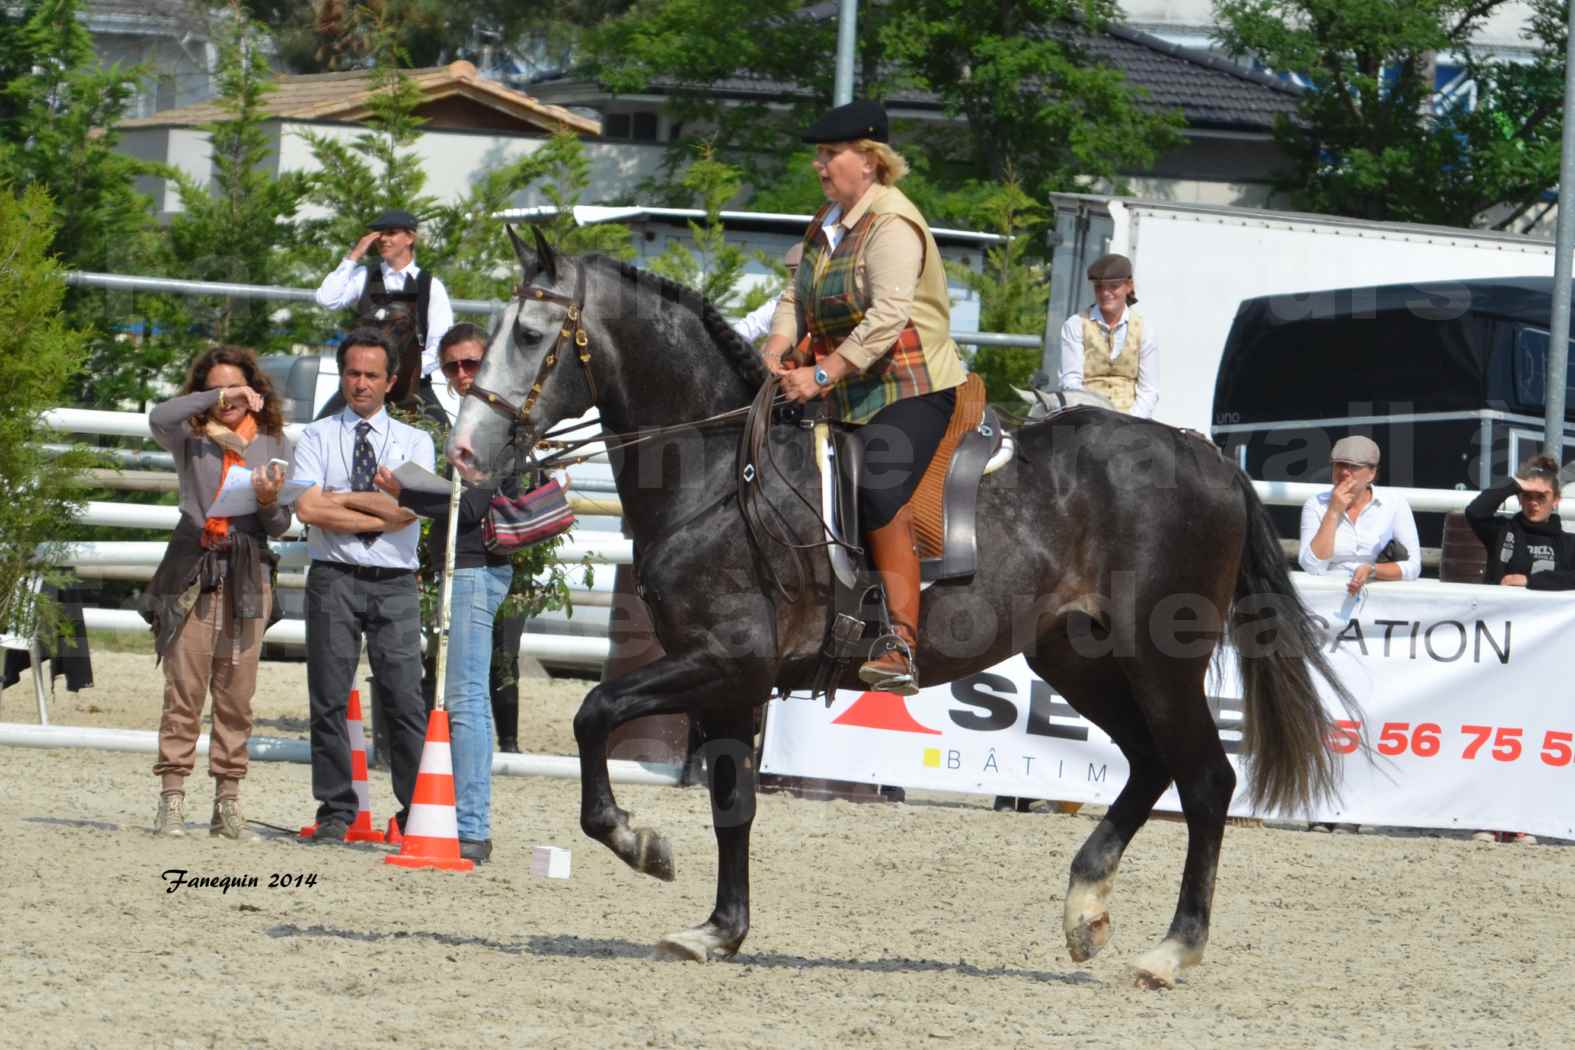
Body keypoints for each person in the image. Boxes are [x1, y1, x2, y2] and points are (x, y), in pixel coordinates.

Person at [760, 99, 968, 696]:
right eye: (821, 156)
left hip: (912, 389)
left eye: (831, 156)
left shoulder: (894, 225)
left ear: (870, 163)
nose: (820, 167)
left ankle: (901, 643)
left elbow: (886, 320)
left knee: (878, 483)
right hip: (847, 386)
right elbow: (795, 295)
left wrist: (820, 376)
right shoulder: (828, 218)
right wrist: (779, 345)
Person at [373, 323, 516, 864]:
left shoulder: (491, 424)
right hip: (465, 565)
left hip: (477, 566)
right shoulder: (470, 419)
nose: (461, 375)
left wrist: (405, 491)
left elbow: (474, 507)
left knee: (464, 700)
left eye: (471, 364)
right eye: (453, 365)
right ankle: (460, 818)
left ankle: (473, 825)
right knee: (459, 696)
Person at [291, 327, 435, 844]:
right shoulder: (316, 435)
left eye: (372, 374)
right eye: (353, 372)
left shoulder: (417, 441)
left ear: (390, 381)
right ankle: (335, 809)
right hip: (333, 577)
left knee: (403, 695)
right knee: (328, 694)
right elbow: (307, 508)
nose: (361, 383)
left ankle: (417, 809)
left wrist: (339, 502)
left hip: (394, 581)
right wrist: (375, 509)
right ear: (342, 374)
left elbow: (410, 509)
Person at [142, 346, 291, 839]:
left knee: (237, 691)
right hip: (196, 564)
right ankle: (172, 797)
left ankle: (227, 799)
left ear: (255, 391)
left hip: (248, 565)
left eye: (236, 388)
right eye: (217, 389)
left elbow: (281, 521)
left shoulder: (272, 441)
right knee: (184, 685)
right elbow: (158, 415)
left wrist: (269, 502)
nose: (228, 399)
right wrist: (214, 394)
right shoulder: (189, 436)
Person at [1461, 455, 1573, 846]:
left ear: (1556, 500)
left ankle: (1521, 820)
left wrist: (1529, 582)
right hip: (1496, 649)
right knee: (1490, 733)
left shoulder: (1568, 543)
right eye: (1527, 496)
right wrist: (1516, 480)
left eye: (1541, 496)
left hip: (1544, 656)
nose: (1533, 502)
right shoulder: (1502, 531)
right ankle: (1486, 817)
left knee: (1532, 734)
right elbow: (1474, 510)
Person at [315, 208, 455, 409]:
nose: (382, 239)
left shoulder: (431, 285)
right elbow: (327, 299)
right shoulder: (364, 274)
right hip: (361, 385)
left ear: (410, 238)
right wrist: (354, 256)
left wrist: (402, 373)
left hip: (411, 387)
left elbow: (440, 342)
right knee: (317, 432)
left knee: (442, 436)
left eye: (391, 233)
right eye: (379, 234)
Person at [1298, 435, 1422, 594]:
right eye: (1339, 465)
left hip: (1380, 592)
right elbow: (1313, 567)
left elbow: (1413, 566)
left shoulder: (1395, 503)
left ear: (1372, 473)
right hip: (1328, 594)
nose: (1344, 472)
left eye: (1353, 466)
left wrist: (1372, 570)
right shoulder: (1315, 504)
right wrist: (1333, 512)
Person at [1057, 253, 1159, 418]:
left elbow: (1149, 389)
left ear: (1129, 286)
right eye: (1099, 287)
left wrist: (1130, 421)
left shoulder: (1144, 329)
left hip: (1132, 419)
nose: (1105, 293)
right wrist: (1091, 415)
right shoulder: (1075, 324)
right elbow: (1070, 381)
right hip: (1087, 417)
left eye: (1113, 286)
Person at [732, 243, 803, 343]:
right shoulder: (780, 301)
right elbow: (748, 327)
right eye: (792, 273)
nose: (795, 279)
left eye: (799, 273)